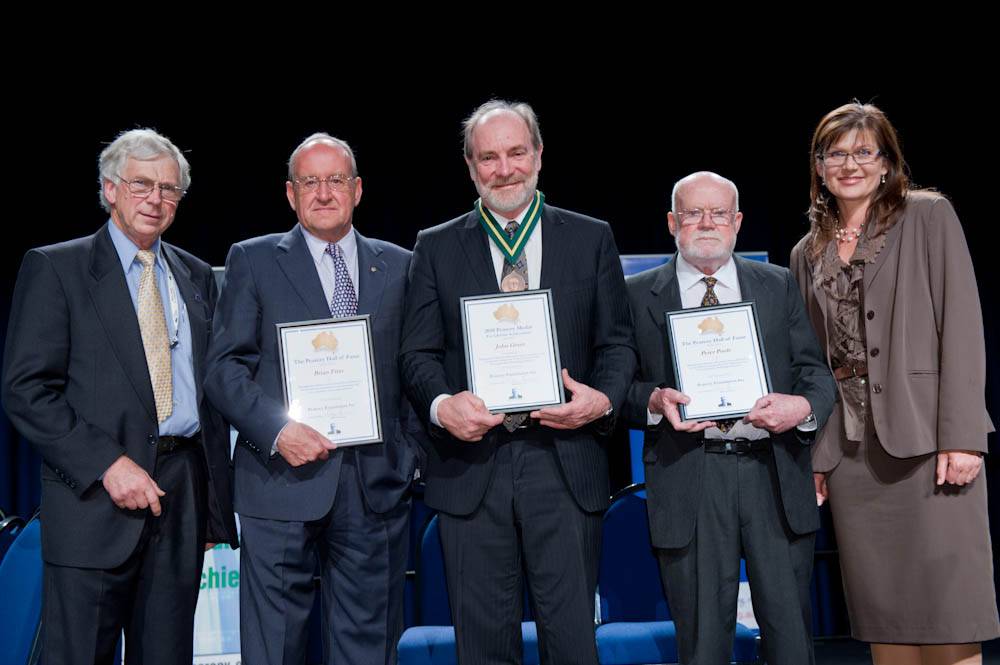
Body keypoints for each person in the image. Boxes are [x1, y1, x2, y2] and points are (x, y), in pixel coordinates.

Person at [399, 100, 636, 665]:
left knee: (574, 642)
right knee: (481, 648)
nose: (503, 169)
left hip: (566, 461)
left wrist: (600, 400)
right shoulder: (434, 246)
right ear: (470, 166)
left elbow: (618, 344)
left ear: (538, 155)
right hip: (471, 468)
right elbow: (417, 353)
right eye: (488, 157)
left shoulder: (590, 237)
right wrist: (440, 404)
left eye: (515, 153)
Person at [2, 128, 238, 665]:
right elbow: (26, 389)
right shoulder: (57, 268)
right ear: (109, 189)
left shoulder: (197, 274)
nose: (156, 199)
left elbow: (208, 394)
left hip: (181, 500)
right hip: (94, 503)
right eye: (141, 185)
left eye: (169, 189)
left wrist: (211, 514)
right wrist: (108, 464)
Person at [790, 102, 999, 665]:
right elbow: (810, 362)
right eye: (835, 153)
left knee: (948, 614)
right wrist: (819, 454)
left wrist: (962, 436)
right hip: (854, 455)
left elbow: (961, 325)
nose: (849, 164)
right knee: (886, 618)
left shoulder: (928, 215)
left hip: (930, 442)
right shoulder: (805, 252)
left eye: (863, 152)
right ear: (819, 165)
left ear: (887, 163)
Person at [204, 133, 422, 665]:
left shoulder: (400, 265)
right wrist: (279, 431)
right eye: (310, 182)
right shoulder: (252, 261)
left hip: (375, 486)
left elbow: (416, 367)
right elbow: (223, 369)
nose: (323, 193)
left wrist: (411, 455)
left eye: (336, 180)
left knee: (369, 649)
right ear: (290, 193)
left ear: (358, 189)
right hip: (279, 481)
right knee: (275, 649)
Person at [623, 171, 835, 665]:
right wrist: (653, 401)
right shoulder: (635, 294)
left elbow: (816, 377)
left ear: (737, 221)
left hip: (774, 475)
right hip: (689, 476)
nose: (706, 223)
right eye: (693, 213)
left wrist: (799, 408)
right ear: (672, 222)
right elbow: (617, 388)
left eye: (718, 212)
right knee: (701, 645)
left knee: (790, 640)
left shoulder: (777, 283)